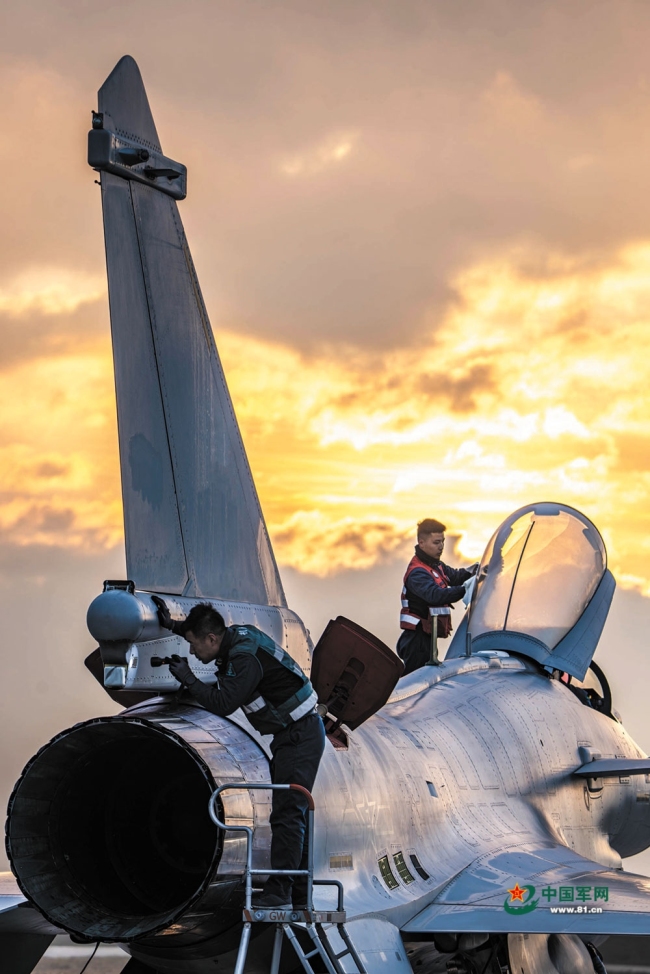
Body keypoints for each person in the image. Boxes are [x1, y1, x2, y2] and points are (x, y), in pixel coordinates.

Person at [151, 598, 325, 911]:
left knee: (286, 815)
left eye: (193, 645)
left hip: (298, 737)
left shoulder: (244, 660)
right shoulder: (236, 636)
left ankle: (280, 892)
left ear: (212, 640)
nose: (192, 652)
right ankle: (299, 893)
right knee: (294, 813)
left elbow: (223, 703)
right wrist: (173, 626)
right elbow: (203, 633)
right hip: (295, 734)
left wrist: (187, 677)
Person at [397, 518, 478, 675]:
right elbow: (435, 595)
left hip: (426, 637)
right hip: (416, 640)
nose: (441, 547)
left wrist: (475, 571)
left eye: (442, 542)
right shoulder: (417, 573)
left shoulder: (435, 565)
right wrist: (465, 589)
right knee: (414, 682)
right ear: (421, 543)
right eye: (436, 542)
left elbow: (455, 576)